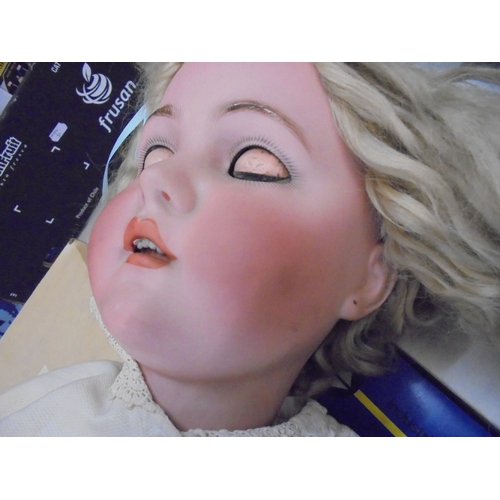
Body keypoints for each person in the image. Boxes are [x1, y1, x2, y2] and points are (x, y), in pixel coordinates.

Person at [1, 62, 499, 436]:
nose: (156, 180)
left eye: (252, 164)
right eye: (156, 151)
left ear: (371, 276)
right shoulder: (45, 406)